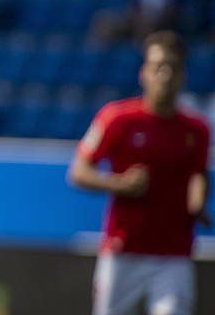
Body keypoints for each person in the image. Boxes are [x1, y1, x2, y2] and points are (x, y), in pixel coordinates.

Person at [68, 31, 210, 315]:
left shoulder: (197, 130)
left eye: (172, 67)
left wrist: (197, 201)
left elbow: (198, 172)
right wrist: (119, 184)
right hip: (123, 252)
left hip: (174, 256)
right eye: (158, 66)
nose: (165, 74)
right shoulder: (117, 119)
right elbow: (78, 171)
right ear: (143, 72)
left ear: (183, 75)